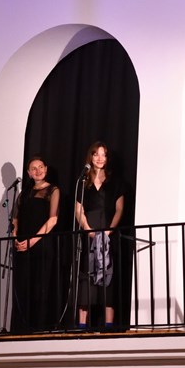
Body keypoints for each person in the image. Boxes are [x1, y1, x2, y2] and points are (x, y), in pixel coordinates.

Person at [74, 141, 125, 329]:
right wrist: (88, 229)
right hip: (89, 233)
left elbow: (119, 209)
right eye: (96, 154)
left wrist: (109, 230)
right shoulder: (83, 182)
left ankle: (108, 325)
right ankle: (82, 326)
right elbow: (78, 210)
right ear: (91, 156)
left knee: (107, 275)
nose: (100, 158)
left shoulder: (115, 182)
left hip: (108, 233)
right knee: (87, 276)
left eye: (103, 154)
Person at [10, 155, 60, 333]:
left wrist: (32, 241)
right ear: (29, 173)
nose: (37, 171)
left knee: (40, 288)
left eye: (40, 167)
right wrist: (15, 237)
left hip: (41, 245)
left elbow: (53, 220)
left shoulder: (53, 190)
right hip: (22, 246)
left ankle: (38, 330)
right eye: (33, 168)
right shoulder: (24, 193)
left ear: (45, 169)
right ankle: (21, 330)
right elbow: (15, 218)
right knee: (23, 287)